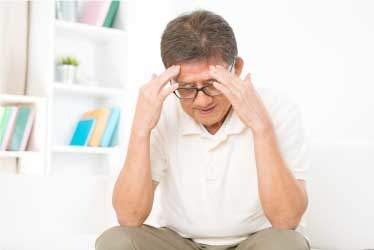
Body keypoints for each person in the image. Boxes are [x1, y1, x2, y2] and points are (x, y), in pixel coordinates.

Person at [96, 10, 311, 250]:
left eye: (212, 84)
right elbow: (129, 218)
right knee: (115, 241)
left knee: (287, 244)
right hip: (181, 243)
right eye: (187, 87)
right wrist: (140, 131)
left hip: (255, 242)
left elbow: (286, 220)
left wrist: (261, 128)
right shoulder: (163, 110)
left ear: (236, 68)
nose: (202, 102)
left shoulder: (278, 108)